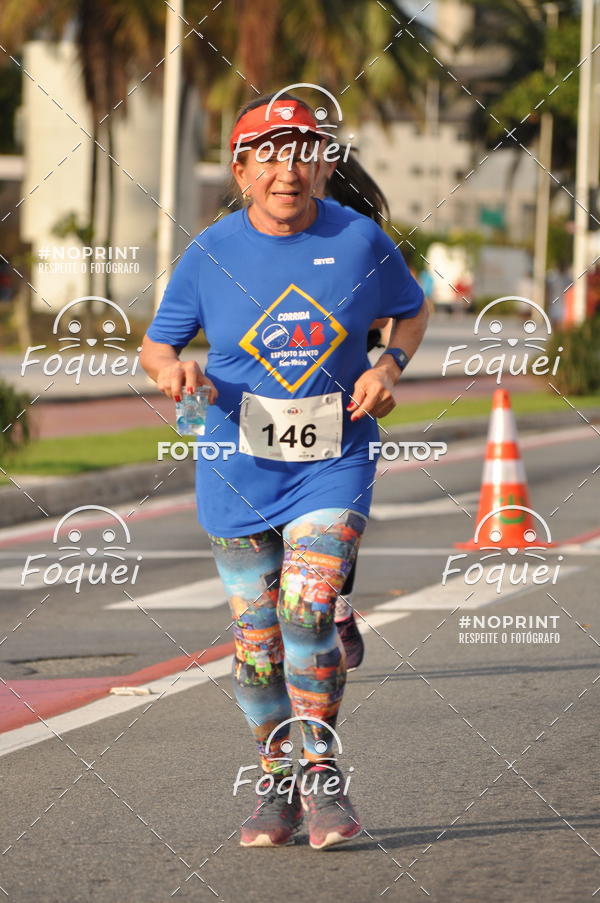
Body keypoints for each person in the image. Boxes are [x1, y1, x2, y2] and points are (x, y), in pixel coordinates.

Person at [141, 92, 428, 850]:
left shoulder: (360, 240)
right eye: (267, 154)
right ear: (240, 171)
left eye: (302, 152)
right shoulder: (209, 254)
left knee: (305, 614)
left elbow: (412, 307)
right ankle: (277, 780)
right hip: (237, 465)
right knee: (256, 645)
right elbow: (157, 345)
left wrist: (389, 364)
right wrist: (176, 373)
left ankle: (323, 774)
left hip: (333, 458)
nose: (286, 169)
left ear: (323, 165)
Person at [314, 148, 394, 671]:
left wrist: (388, 366)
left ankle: (333, 605)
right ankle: (323, 609)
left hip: (339, 397)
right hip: (264, 399)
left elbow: (401, 310)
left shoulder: (359, 238)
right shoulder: (253, 230)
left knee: (332, 517)